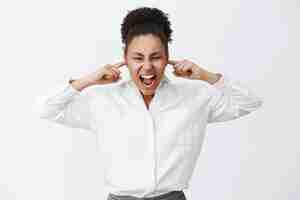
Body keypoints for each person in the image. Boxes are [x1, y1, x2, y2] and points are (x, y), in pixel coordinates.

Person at [32, 6, 263, 200]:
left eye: (156, 57)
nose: (147, 67)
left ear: (167, 58)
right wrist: (88, 80)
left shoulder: (194, 97)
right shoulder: (102, 100)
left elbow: (250, 102)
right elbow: (45, 109)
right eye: (137, 58)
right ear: (125, 59)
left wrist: (205, 75)